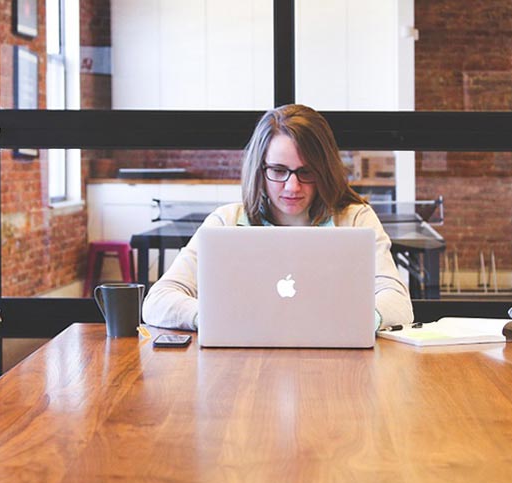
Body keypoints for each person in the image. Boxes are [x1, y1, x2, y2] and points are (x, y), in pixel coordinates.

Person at [142, 104, 414, 331]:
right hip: (242, 366)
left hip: (335, 366)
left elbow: (399, 303)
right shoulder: (225, 222)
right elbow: (158, 301)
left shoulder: (355, 219)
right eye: (279, 170)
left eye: (306, 172)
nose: (292, 187)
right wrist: (214, 319)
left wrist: (351, 323)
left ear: (324, 170)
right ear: (259, 169)